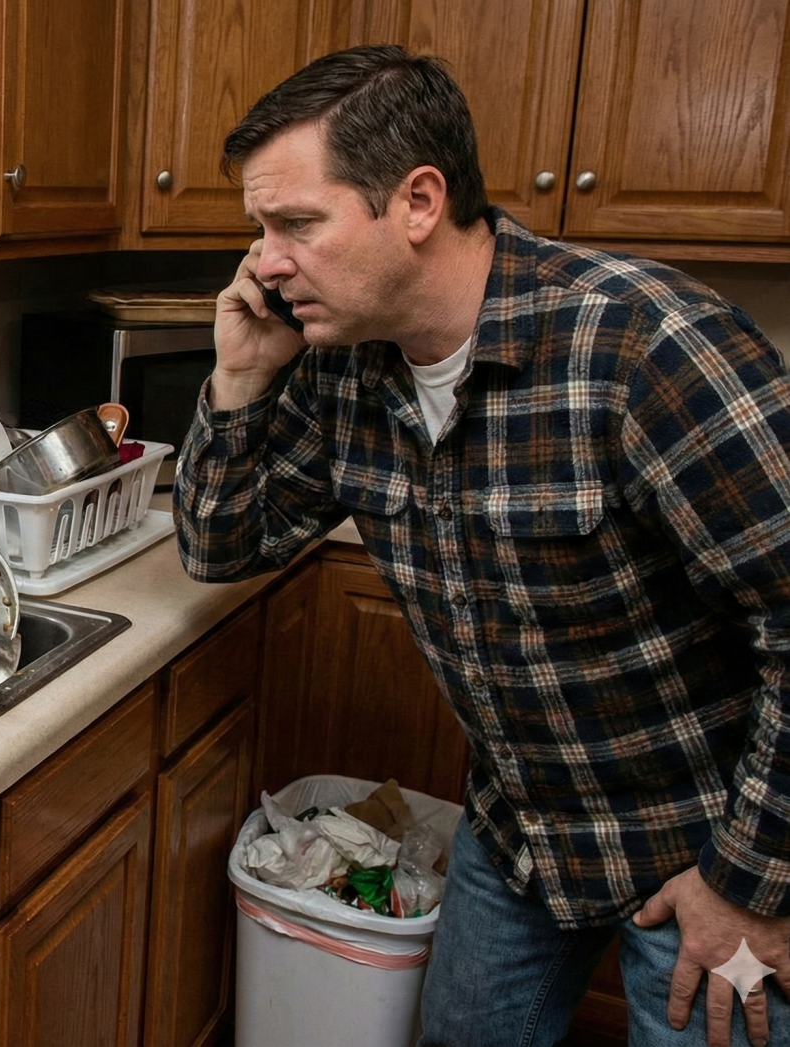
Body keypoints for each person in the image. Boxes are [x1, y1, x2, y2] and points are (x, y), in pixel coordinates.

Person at [174, 43, 790, 1047]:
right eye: (259, 231)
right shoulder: (344, 368)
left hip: (708, 843)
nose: (264, 263)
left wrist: (750, 882)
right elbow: (222, 545)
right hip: (520, 826)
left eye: (295, 224)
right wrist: (239, 380)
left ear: (418, 201)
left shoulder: (643, 344)